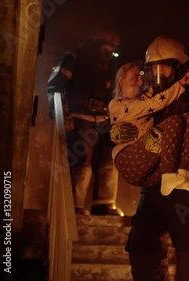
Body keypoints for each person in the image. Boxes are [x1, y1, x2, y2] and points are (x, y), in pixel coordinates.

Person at [110, 35, 189, 281]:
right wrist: (120, 132)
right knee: (142, 252)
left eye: (165, 68)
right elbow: (128, 121)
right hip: (155, 186)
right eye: (153, 70)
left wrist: (183, 150)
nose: (158, 75)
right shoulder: (152, 98)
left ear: (180, 67)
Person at [47, 28, 123, 216]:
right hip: (79, 119)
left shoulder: (111, 67)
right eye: (107, 49)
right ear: (95, 45)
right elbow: (55, 86)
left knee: (109, 161)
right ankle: (75, 207)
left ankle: (104, 204)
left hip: (104, 121)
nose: (110, 55)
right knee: (81, 163)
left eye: (114, 51)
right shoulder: (74, 57)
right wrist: (63, 115)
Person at [109, 61, 189, 195]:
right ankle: (169, 173)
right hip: (127, 160)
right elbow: (156, 102)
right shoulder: (117, 104)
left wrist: (187, 76)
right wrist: (181, 84)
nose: (140, 79)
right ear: (121, 78)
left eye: (142, 75)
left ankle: (182, 174)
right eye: (135, 75)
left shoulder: (141, 98)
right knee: (174, 122)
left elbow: (159, 91)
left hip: (148, 168)